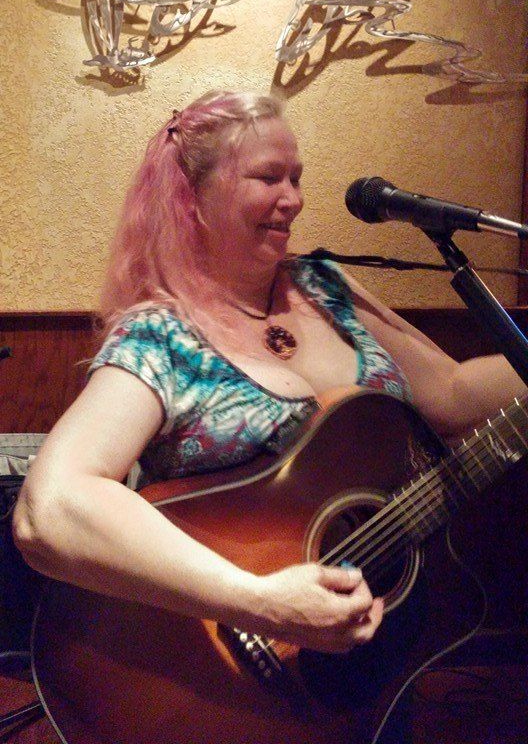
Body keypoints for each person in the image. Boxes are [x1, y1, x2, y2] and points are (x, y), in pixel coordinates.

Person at [13, 90, 526, 656]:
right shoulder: (161, 336)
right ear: (193, 197)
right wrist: (260, 602)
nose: (294, 199)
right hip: (223, 663)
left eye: (296, 178)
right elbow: (49, 508)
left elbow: (453, 393)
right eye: (268, 177)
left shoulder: (327, 287)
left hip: (379, 643)